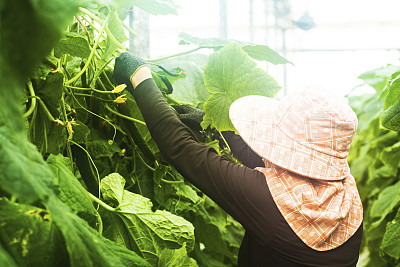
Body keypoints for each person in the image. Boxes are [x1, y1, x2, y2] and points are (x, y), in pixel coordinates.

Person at [113, 52, 363, 267]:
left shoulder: (267, 200)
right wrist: (211, 125)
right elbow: (276, 161)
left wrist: (140, 77)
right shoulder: (346, 192)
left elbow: (182, 149)